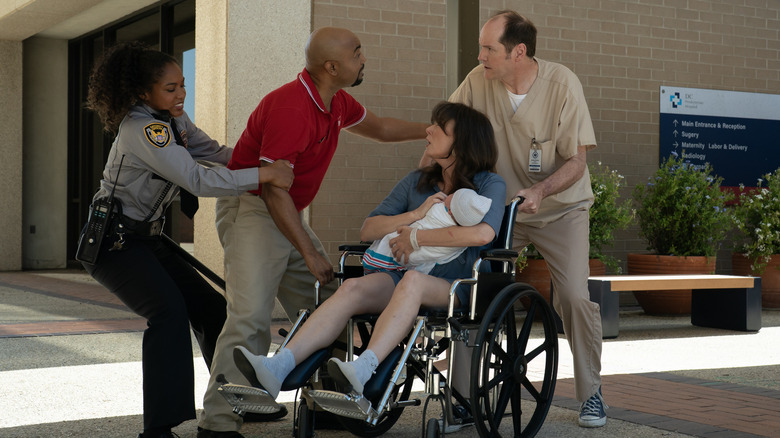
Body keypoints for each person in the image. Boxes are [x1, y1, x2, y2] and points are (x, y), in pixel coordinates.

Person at [196, 27, 430, 438]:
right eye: (357, 53)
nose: (364, 58)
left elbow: (380, 128)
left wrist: (432, 131)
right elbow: (273, 190)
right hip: (254, 209)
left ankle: (325, 405)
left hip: (287, 213)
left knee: (328, 306)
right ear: (332, 67)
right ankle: (218, 423)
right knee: (250, 318)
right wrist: (309, 252)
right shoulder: (291, 108)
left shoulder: (336, 101)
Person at [79, 41, 294, 438]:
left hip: (148, 239)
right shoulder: (143, 128)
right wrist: (264, 176)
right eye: (170, 88)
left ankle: (236, 401)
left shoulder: (172, 121)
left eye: (182, 85)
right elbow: (197, 179)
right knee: (168, 314)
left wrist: (264, 162)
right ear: (143, 93)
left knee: (211, 309)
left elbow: (214, 153)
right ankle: (158, 430)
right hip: (114, 244)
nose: (181, 94)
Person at [232, 101, 506, 407]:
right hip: (401, 276)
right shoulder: (418, 181)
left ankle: (363, 368)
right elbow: (369, 229)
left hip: (456, 285)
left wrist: (417, 238)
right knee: (352, 288)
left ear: (462, 142)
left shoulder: (489, 183)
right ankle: (278, 366)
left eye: (439, 128)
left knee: (413, 281)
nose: (428, 130)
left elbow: (483, 234)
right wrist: (414, 215)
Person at [447, 10, 607, 428]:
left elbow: (577, 161)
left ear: (518, 52)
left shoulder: (563, 84)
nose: (480, 56)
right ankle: (462, 398)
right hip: (503, 211)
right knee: (474, 289)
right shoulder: (477, 82)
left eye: (488, 48)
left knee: (572, 296)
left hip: (561, 208)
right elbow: (446, 133)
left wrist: (539, 191)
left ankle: (591, 393)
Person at [362, 187, 493, 274]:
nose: (449, 194)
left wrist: (414, 237)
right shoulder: (463, 232)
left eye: (453, 196)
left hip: (397, 255)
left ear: (450, 211)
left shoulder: (438, 210)